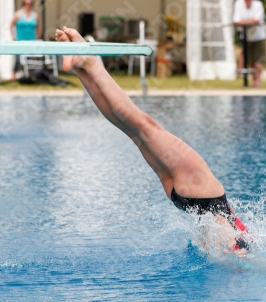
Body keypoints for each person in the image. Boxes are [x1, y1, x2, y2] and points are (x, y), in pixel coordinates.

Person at [54, 27, 250, 255]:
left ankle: (90, 63)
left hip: (204, 192)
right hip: (186, 200)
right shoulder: (241, 247)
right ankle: (82, 70)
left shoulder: (243, 243)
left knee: (142, 125)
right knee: (132, 131)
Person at [233, 0, 266, 87]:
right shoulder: (239, 3)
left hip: (259, 36)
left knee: (258, 60)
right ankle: (249, 79)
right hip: (246, 37)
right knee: (249, 59)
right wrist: (249, 21)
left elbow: (256, 20)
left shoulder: (258, 4)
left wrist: (244, 21)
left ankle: (257, 81)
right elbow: (237, 21)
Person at [10, 0, 42, 81]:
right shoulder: (18, 14)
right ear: (23, 4)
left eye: (30, 4)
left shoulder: (35, 15)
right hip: (20, 40)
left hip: (31, 40)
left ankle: (27, 76)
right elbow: (11, 24)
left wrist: (38, 37)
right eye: (26, 3)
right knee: (17, 59)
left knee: (29, 59)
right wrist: (13, 36)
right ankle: (14, 76)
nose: (28, 5)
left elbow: (39, 27)